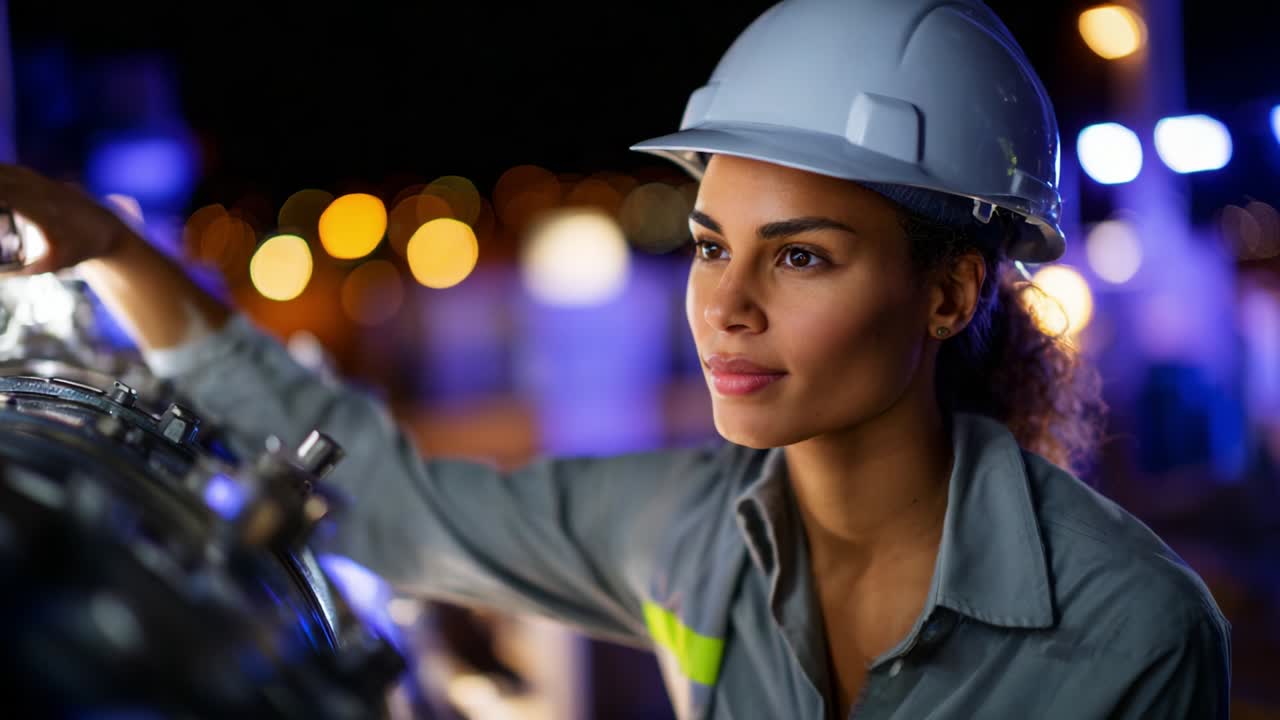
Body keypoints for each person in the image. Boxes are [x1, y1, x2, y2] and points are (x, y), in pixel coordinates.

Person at [0, 0, 1231, 717]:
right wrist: (108, 245)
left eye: (799, 258)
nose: (724, 309)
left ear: (950, 290)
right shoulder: (682, 531)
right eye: (707, 248)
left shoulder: (1129, 633)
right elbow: (381, 500)